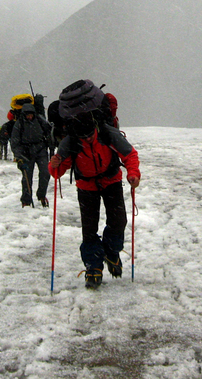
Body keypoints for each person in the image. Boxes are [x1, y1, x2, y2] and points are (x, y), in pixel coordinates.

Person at [49, 92, 140, 289]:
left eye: (91, 135)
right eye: (85, 137)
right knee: (89, 230)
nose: (89, 139)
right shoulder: (71, 141)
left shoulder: (107, 132)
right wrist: (54, 164)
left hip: (111, 181)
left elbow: (129, 154)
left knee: (119, 221)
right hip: (86, 186)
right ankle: (93, 267)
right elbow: (57, 173)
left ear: (95, 128)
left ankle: (111, 251)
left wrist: (133, 173)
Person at [10, 103, 53, 208]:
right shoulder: (19, 124)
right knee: (26, 177)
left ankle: (42, 195)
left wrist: (51, 146)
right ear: (24, 114)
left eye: (31, 114)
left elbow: (49, 133)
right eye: (28, 115)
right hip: (26, 153)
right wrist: (19, 156)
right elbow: (15, 142)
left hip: (41, 151)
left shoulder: (40, 121)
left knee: (45, 173)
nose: (30, 116)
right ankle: (26, 200)